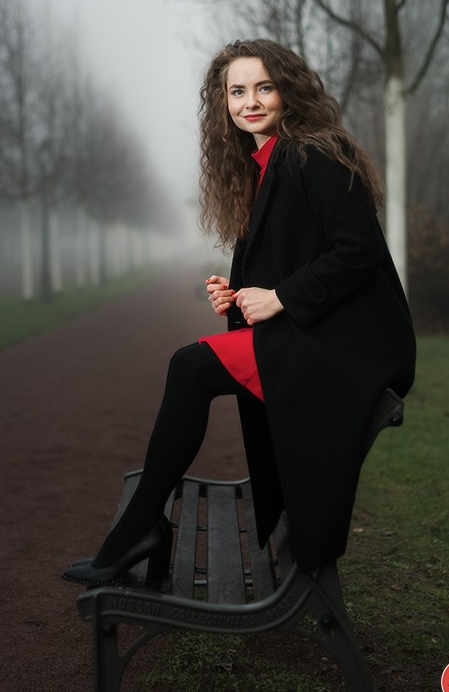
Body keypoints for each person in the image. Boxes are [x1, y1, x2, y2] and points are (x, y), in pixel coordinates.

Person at [62, 38, 416, 585]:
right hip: (318, 333)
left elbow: (359, 251)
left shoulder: (312, 151)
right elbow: (305, 252)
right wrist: (242, 291)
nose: (250, 101)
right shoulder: (270, 159)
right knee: (191, 366)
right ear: (222, 101)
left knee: (191, 365)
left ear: (289, 91)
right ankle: (143, 529)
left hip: (348, 349)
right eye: (237, 91)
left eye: (264, 87)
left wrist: (278, 298)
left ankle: (139, 530)